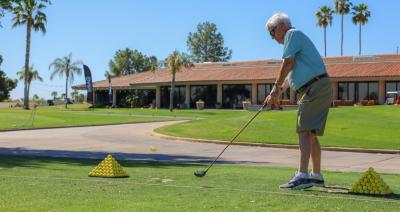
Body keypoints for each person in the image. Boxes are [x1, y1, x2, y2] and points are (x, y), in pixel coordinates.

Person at [264, 13, 333, 190]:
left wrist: (274, 89)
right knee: (310, 134)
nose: (272, 38)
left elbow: (287, 63)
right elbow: (291, 73)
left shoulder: (291, 35)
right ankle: (316, 176)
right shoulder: (294, 40)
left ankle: (302, 175)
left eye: (272, 33)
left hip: (314, 87)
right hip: (319, 86)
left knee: (303, 131)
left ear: (281, 27)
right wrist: (277, 93)